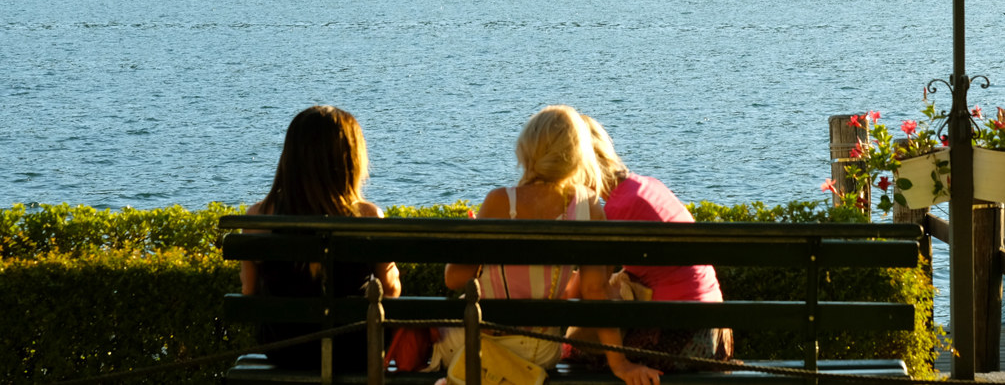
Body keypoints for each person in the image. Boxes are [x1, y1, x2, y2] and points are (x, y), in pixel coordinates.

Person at [436, 105, 661, 385]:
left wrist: (474, 245)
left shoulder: (500, 201)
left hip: (482, 340)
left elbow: (454, 278)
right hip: (542, 349)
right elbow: (595, 290)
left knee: (431, 339)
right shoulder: (588, 205)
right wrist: (620, 363)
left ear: (528, 148)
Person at [241, 105, 401, 370]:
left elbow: (249, 291)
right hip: (355, 350)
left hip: (285, 351)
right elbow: (392, 289)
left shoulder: (258, 216)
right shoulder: (368, 217)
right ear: (350, 159)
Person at [577, 115, 733, 369]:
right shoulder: (646, 186)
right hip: (713, 331)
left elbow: (592, 289)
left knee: (576, 354)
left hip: (682, 337)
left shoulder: (617, 210)